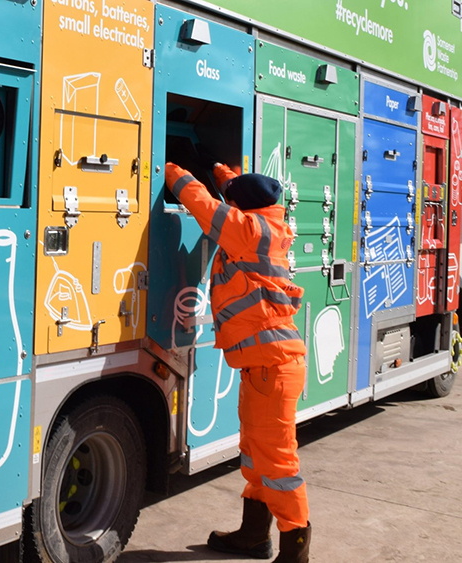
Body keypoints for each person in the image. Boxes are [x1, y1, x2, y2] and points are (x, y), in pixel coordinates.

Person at [164, 161, 311, 563]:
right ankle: (253, 535)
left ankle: (296, 547)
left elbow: (202, 204)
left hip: (273, 366)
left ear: (240, 207)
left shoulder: (247, 230)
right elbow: (239, 197)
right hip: (263, 367)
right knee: (254, 453)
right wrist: (226, 176)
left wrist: (168, 166)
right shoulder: (264, 223)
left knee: (278, 462)